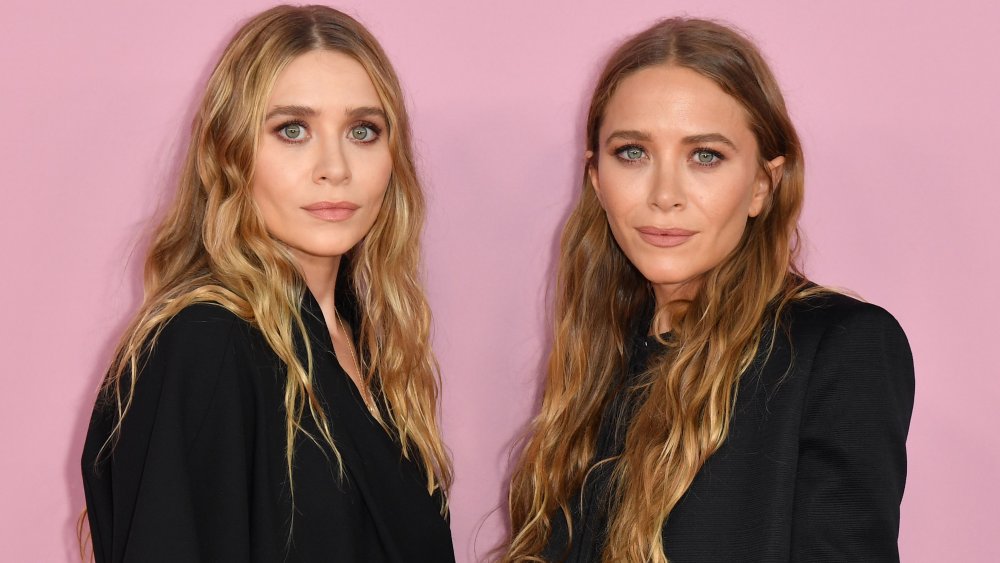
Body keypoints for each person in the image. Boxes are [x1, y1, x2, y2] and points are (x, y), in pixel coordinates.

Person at [504, 17, 914, 563]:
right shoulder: (600, 356)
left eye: (705, 156)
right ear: (596, 179)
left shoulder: (840, 346)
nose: (664, 194)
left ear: (762, 186)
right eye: (632, 152)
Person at [80, 5, 454, 562]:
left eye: (363, 130)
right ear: (227, 151)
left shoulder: (370, 346)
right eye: (293, 130)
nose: (335, 167)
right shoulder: (205, 344)